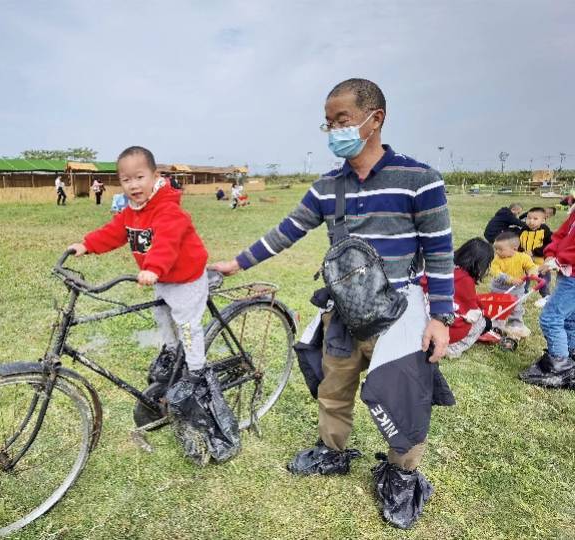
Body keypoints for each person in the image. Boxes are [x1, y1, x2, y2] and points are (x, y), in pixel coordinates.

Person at [210, 78, 455, 529]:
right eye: (328, 124)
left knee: (403, 399)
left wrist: (440, 318)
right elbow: (288, 229)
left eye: (342, 120)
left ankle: (402, 476)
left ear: (374, 119)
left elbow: (440, 253)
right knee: (333, 388)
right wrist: (238, 263)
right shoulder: (327, 188)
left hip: (399, 316)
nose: (335, 131)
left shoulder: (420, 180)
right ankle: (332, 450)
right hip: (343, 313)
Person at [68, 145, 212, 378]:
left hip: (186, 279)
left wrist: (153, 268)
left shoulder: (168, 210)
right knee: (162, 315)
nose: (133, 185)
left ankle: (197, 373)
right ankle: (172, 351)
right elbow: (113, 232)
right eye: (126, 180)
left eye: (139, 177)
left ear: (155, 177)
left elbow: (166, 242)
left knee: (187, 326)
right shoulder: (132, 210)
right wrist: (87, 245)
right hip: (163, 278)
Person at [520, 209, 575, 388]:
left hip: (572, 275)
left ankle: (559, 367)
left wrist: (559, 260)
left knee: (551, 319)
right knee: (569, 318)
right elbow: (561, 234)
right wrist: (551, 253)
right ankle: (569, 355)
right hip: (568, 272)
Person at [447, 238, 495, 358]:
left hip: (426, 319)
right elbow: (471, 313)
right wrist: (485, 318)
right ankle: (453, 348)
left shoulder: (448, 268)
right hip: (445, 329)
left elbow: (467, 298)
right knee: (482, 323)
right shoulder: (465, 280)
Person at [490, 231, 537, 338]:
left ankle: (515, 325)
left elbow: (531, 266)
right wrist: (510, 279)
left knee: (516, 308)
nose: (497, 252)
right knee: (498, 307)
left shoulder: (523, 258)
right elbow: (495, 272)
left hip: (517, 289)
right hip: (499, 288)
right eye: (496, 248)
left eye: (500, 249)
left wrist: (532, 272)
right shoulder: (497, 259)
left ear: (514, 249)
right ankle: (496, 325)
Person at [518, 207, 553, 305]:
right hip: (526, 261)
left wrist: (534, 251)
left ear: (543, 220)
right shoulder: (523, 230)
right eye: (528, 218)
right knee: (525, 278)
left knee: (543, 280)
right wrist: (521, 251)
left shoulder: (545, 231)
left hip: (541, 262)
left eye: (535, 219)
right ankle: (522, 294)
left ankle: (546, 296)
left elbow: (549, 245)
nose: (531, 221)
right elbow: (518, 243)